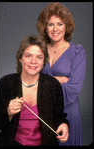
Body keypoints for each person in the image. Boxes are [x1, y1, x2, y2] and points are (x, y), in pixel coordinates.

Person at [0, 35, 69, 146]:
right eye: (28, 56)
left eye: (39, 57)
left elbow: (59, 117)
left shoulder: (53, 85)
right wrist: (8, 112)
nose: (33, 61)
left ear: (44, 60)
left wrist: (63, 125)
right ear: (20, 58)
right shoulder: (6, 83)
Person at [36, 2, 86, 146]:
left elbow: (73, 88)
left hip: (68, 112)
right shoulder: (39, 51)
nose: (55, 29)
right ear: (45, 27)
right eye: (50, 24)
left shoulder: (77, 52)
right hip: (43, 112)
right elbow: (31, 80)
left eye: (60, 24)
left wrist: (44, 86)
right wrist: (59, 80)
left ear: (67, 26)